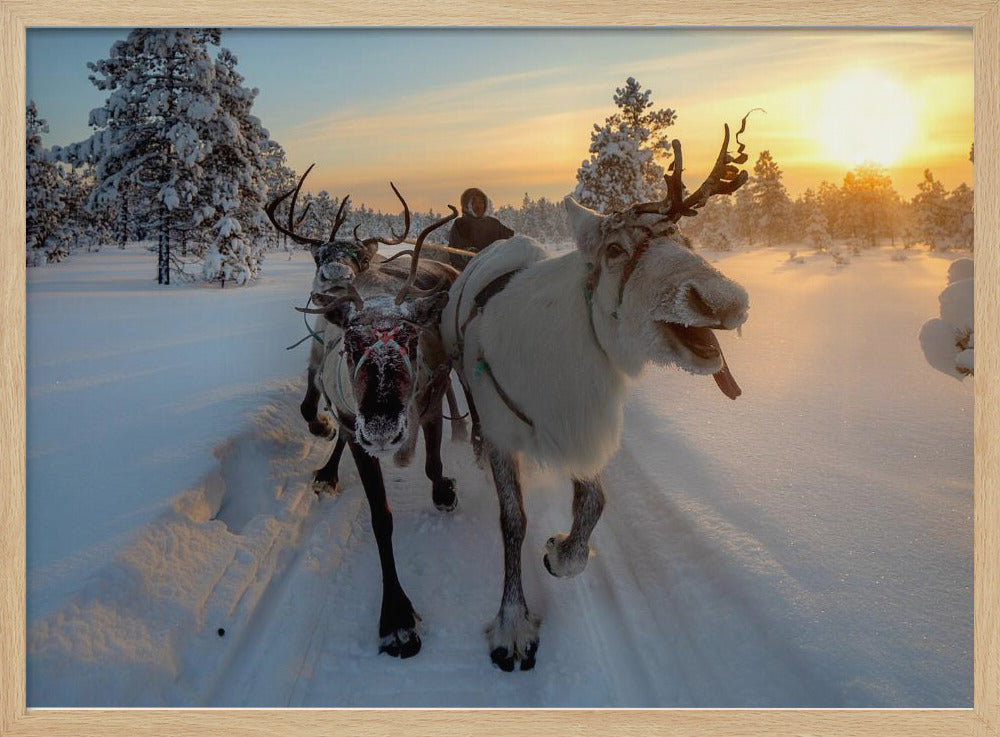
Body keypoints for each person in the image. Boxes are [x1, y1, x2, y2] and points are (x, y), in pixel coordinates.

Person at [446, 187, 514, 270]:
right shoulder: (460, 224)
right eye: (474, 203)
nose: (478, 206)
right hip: (468, 271)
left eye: (481, 202)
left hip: (494, 269)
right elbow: (454, 251)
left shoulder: (493, 223)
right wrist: (467, 255)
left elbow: (510, 241)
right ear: (467, 205)